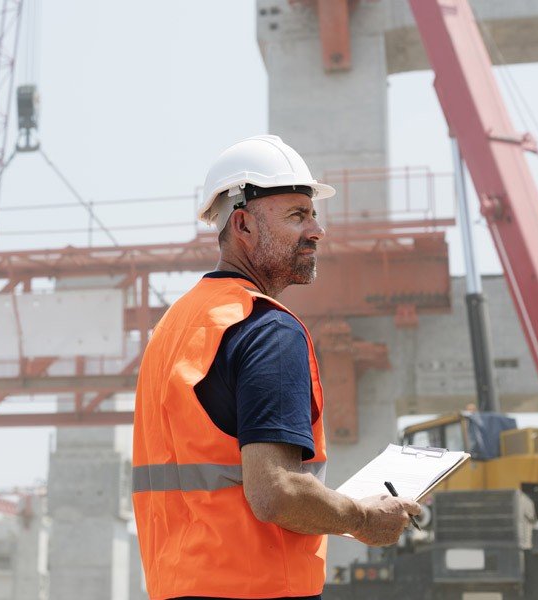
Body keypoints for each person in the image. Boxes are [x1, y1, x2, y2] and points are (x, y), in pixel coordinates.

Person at [132, 135, 420, 600]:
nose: (316, 231)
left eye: (313, 214)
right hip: (257, 590)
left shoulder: (174, 327)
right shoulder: (266, 329)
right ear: (242, 224)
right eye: (296, 215)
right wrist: (365, 519)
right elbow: (276, 492)